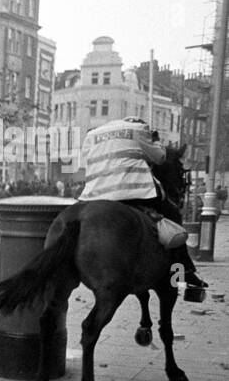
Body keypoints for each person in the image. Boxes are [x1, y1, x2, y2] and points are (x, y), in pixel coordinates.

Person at [77, 118, 207, 293]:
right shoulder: (140, 129)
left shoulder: (93, 134)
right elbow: (160, 158)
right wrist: (155, 141)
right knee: (173, 216)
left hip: (95, 192)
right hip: (132, 189)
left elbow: (82, 163)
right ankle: (183, 271)